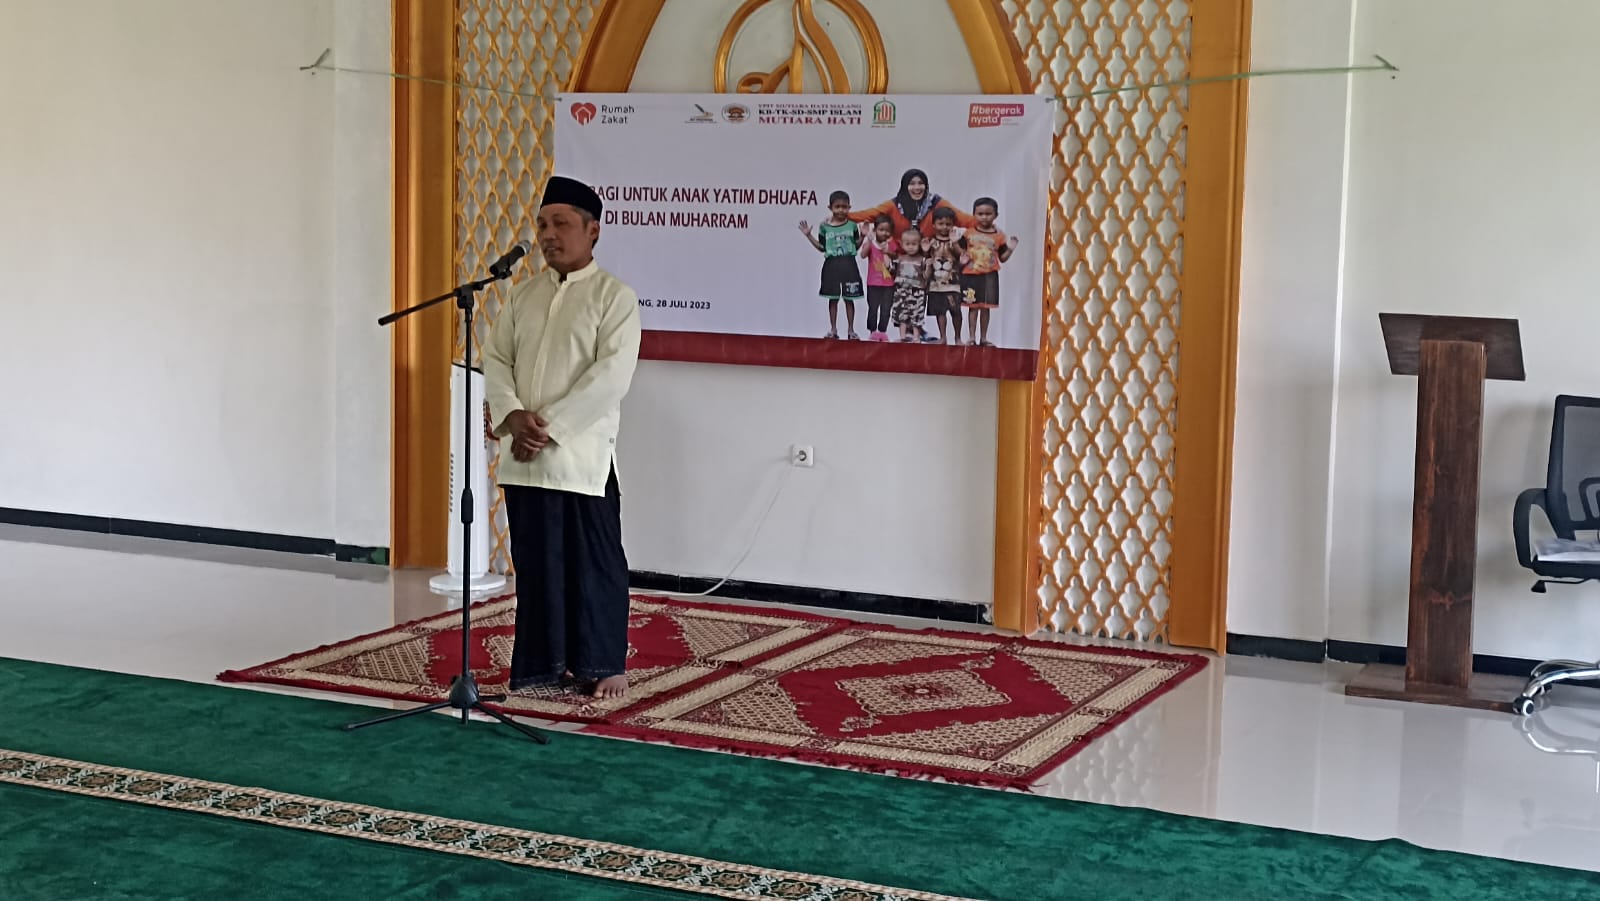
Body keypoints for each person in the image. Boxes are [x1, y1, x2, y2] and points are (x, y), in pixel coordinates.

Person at [482, 175, 642, 700]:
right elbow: (496, 359)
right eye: (543, 225)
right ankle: (542, 665)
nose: (549, 235)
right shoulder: (523, 294)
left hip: (581, 460)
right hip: (524, 457)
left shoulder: (614, 298)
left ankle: (603, 664)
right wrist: (512, 417)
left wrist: (544, 428)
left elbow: (610, 377)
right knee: (537, 567)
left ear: (593, 231)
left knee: (595, 565)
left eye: (562, 224)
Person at [798, 190, 863, 340]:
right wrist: (809, 236)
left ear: (849, 207)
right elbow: (822, 247)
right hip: (832, 265)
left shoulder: (853, 226)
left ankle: (851, 330)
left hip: (849, 264)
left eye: (844, 207)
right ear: (830, 207)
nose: (841, 210)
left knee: (849, 298)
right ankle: (833, 330)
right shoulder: (824, 227)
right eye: (837, 207)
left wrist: (864, 236)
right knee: (833, 298)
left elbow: (856, 246)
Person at [957, 196, 1018, 347]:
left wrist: (1010, 249)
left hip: (990, 276)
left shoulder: (999, 236)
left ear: (996, 215)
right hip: (971, 275)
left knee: (986, 308)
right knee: (973, 307)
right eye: (980, 214)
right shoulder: (968, 233)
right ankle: (971, 337)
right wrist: (954, 243)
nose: (984, 217)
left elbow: (1002, 258)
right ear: (974, 214)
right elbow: (960, 251)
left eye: (988, 214)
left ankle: (983, 338)